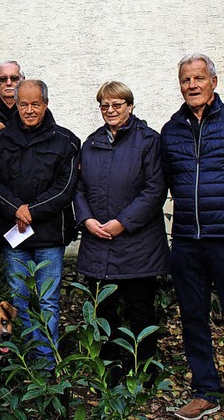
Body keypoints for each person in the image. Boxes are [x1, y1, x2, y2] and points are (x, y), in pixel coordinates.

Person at [161, 54, 224, 420]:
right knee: (193, 316)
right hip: (187, 241)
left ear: (214, 81)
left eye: (198, 78)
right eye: (185, 79)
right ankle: (205, 391)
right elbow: (161, 181)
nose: (192, 85)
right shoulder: (171, 129)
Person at [74, 81, 168, 373]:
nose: (111, 110)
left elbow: (154, 189)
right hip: (98, 243)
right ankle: (111, 371)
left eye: (117, 104)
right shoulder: (90, 144)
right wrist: (87, 219)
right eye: (105, 105)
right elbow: (78, 188)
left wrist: (122, 223)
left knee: (140, 311)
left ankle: (145, 370)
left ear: (130, 106)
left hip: (138, 247)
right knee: (104, 312)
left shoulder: (148, 140)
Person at [0, 79, 79, 364]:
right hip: (15, 236)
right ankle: (22, 362)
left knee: (48, 301)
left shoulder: (66, 141)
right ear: (16, 104)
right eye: (23, 104)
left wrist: (31, 211)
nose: (28, 110)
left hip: (49, 236)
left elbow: (65, 188)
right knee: (17, 301)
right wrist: (16, 209)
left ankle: (46, 363)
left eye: (35, 104)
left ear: (45, 104)